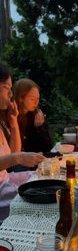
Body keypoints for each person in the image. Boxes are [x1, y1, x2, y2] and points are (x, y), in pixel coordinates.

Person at [0, 66, 44, 222]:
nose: (10, 94)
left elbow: (13, 151)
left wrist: (13, 122)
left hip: (6, 180)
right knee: (40, 200)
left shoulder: (3, 121)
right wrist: (19, 158)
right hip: (1, 191)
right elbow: (15, 156)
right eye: (6, 88)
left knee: (42, 180)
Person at [13, 78, 52, 153]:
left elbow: (48, 148)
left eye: (38, 99)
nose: (36, 102)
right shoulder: (10, 117)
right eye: (32, 99)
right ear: (21, 98)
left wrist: (40, 128)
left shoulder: (36, 116)